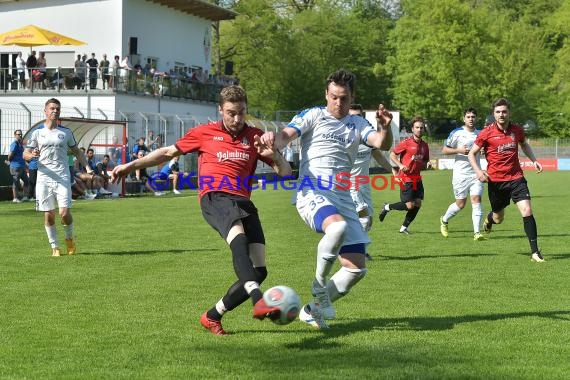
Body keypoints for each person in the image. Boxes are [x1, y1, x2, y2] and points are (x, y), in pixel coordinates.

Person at [111, 85, 292, 335]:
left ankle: (212, 315)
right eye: (231, 113)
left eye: (241, 113)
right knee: (238, 239)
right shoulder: (204, 133)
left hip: (243, 202)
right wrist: (131, 165)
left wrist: (276, 156)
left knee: (259, 270)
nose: (237, 119)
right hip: (215, 196)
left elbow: (285, 173)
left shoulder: (255, 136)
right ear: (220, 110)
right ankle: (258, 300)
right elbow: (167, 152)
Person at [257, 69, 393, 329]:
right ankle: (319, 287)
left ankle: (312, 309)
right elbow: (285, 136)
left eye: (344, 98)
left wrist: (385, 127)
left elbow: (381, 143)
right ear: (326, 94)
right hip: (312, 191)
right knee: (337, 226)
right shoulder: (314, 115)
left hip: (343, 197)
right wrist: (271, 139)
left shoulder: (358, 124)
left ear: (352, 97)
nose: (338, 103)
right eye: (333, 97)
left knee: (356, 269)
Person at [467, 98, 545, 263]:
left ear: (509, 112)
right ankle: (489, 219)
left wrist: (534, 160)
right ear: (493, 114)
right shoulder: (486, 132)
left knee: (527, 211)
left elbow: (524, 145)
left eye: (504, 111)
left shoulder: (516, 130)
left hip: (516, 178)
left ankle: (535, 252)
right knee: (498, 218)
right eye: (498, 112)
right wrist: (479, 171)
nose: (501, 114)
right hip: (496, 182)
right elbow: (471, 153)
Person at [23, 98, 94, 256]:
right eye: (52, 108)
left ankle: (69, 239)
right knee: (49, 214)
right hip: (44, 178)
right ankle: (55, 247)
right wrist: (32, 155)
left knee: (64, 213)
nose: (55, 111)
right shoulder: (37, 133)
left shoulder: (65, 133)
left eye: (57, 109)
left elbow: (77, 151)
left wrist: (88, 167)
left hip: (62, 177)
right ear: (45, 111)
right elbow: (25, 154)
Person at [348, 104, 397, 261]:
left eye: (359, 116)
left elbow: (378, 156)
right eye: (353, 116)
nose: (356, 119)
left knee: (368, 220)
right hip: (348, 184)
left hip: (364, 184)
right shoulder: (343, 137)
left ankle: (355, 248)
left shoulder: (367, 136)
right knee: (364, 216)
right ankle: (356, 250)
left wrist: (393, 171)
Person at [439, 107, 485, 241]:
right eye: (468, 117)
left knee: (476, 199)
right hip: (460, 175)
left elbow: (484, 149)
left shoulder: (481, 133)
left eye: (473, 117)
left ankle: (477, 233)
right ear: (464, 118)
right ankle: (444, 219)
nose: (471, 119)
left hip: (476, 173)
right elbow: (444, 150)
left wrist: (483, 152)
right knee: (460, 204)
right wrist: (458, 150)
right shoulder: (457, 132)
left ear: (477, 118)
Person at [379, 116, 430, 235]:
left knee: (417, 203)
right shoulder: (406, 143)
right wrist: (400, 165)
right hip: (406, 178)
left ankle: (403, 228)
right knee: (409, 205)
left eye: (421, 128)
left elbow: (426, 160)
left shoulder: (425, 146)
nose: (419, 130)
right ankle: (387, 207)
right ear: (412, 129)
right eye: (417, 127)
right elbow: (392, 154)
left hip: (417, 178)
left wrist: (427, 164)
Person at [8, 129, 29, 203]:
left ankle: (25, 197)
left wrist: (25, 165)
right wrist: (10, 161)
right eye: (18, 134)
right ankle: (15, 198)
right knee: (16, 182)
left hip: (22, 166)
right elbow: (10, 155)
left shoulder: (20, 144)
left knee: (26, 181)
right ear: (15, 135)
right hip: (15, 167)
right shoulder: (14, 144)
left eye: (20, 134)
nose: (20, 135)